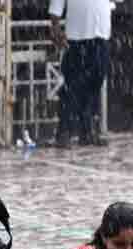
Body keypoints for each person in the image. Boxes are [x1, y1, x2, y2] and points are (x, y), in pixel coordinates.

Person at [49, 0, 114, 147]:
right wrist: (55, 27)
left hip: (101, 35)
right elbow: (56, 5)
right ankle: (64, 132)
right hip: (76, 38)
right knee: (72, 85)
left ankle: (88, 131)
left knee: (95, 83)